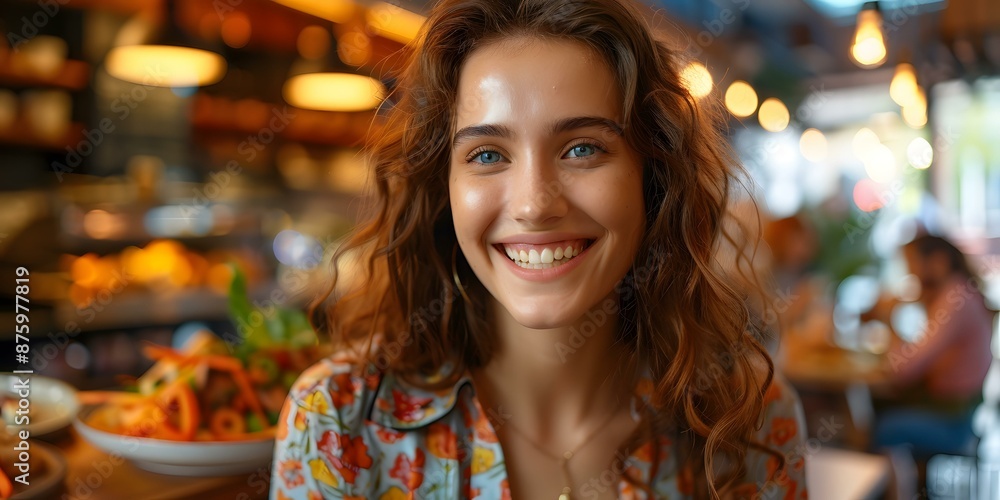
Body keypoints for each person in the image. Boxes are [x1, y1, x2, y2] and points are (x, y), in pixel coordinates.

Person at [271, 0, 808, 498]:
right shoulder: (337, 422)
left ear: (654, 178)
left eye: (582, 148)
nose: (533, 205)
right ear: (443, 187)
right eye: (487, 155)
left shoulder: (750, 416)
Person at [870, 234, 995, 458]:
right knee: (878, 406)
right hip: (955, 411)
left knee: (881, 425)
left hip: (953, 421)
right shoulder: (959, 293)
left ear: (938, 262)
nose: (911, 274)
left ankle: (890, 481)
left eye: (913, 264)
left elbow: (902, 369)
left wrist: (887, 320)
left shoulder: (955, 300)